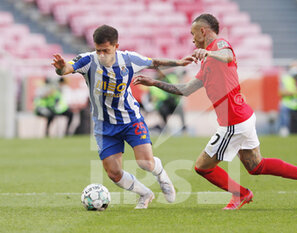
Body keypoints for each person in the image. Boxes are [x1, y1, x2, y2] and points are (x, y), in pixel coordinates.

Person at [133, 14, 297, 210]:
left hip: (234, 121)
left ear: (203, 31)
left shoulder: (219, 46)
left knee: (203, 167)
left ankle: (241, 194)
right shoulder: (206, 62)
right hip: (242, 116)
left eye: (193, 33)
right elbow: (185, 90)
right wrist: (154, 82)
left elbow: (227, 54)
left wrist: (209, 52)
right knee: (256, 166)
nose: (192, 38)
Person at [51, 25, 192, 209]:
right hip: (104, 125)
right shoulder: (88, 60)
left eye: (106, 50)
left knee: (145, 163)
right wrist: (61, 69)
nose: (101, 55)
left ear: (116, 46)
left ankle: (162, 176)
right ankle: (145, 194)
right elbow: (67, 69)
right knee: (113, 173)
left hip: (130, 119)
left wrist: (179, 63)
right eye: (98, 50)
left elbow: (154, 62)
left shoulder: (129, 59)